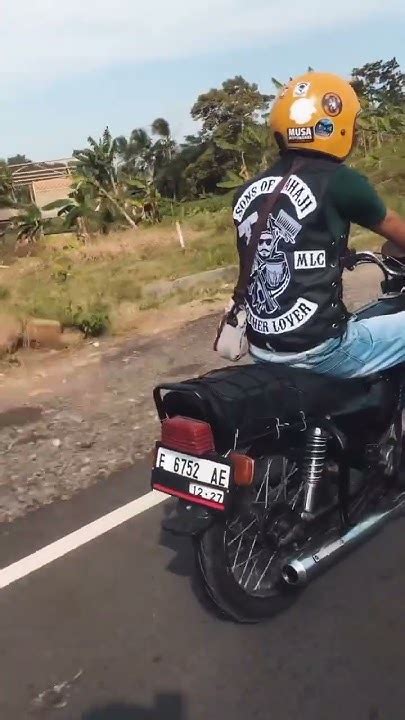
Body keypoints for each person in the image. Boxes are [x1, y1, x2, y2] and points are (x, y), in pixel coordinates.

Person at [232, 71, 405, 378]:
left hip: (261, 350)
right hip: (320, 351)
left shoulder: (246, 192)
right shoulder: (339, 181)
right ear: (335, 127)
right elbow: (395, 228)